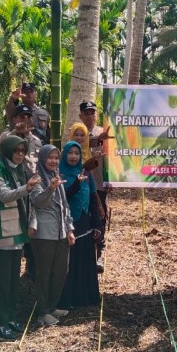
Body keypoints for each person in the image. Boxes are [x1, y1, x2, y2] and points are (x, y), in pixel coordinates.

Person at [0, 135, 38, 340]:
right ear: (7, 151)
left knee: (13, 280)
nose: (20, 154)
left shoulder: (19, 170)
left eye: (23, 151)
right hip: (0, 231)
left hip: (16, 231)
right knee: (1, 281)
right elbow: (4, 195)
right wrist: (27, 188)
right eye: (16, 151)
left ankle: (10, 317)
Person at [28, 145, 76, 325]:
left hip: (62, 232)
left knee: (61, 271)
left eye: (56, 158)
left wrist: (70, 229)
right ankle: (43, 311)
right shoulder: (36, 178)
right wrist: (50, 189)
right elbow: (37, 202)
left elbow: (64, 206)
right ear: (42, 159)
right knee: (44, 272)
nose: (54, 161)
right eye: (50, 157)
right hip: (44, 233)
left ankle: (52, 306)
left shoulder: (57, 176)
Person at [57, 141, 104, 309]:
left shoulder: (86, 174)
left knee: (85, 259)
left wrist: (97, 225)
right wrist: (76, 183)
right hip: (68, 223)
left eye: (77, 153)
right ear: (64, 155)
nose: (73, 156)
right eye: (70, 153)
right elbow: (63, 198)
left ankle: (85, 298)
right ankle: (69, 299)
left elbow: (92, 199)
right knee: (70, 262)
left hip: (85, 222)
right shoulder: (60, 174)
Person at [4, 104, 43, 280]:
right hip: (13, 187)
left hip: (32, 188)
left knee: (32, 225)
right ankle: (12, 267)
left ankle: (32, 266)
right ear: (14, 119)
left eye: (28, 117)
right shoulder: (7, 137)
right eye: (21, 117)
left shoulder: (36, 140)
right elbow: (2, 149)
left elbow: (38, 164)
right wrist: (15, 132)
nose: (25, 120)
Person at [79, 100, 110, 271]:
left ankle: (98, 254)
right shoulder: (77, 131)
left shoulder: (103, 132)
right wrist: (98, 140)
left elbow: (110, 157)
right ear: (80, 116)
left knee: (100, 216)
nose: (90, 116)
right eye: (87, 113)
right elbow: (82, 143)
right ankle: (84, 254)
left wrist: (110, 179)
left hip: (99, 183)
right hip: (82, 183)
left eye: (93, 112)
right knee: (84, 217)